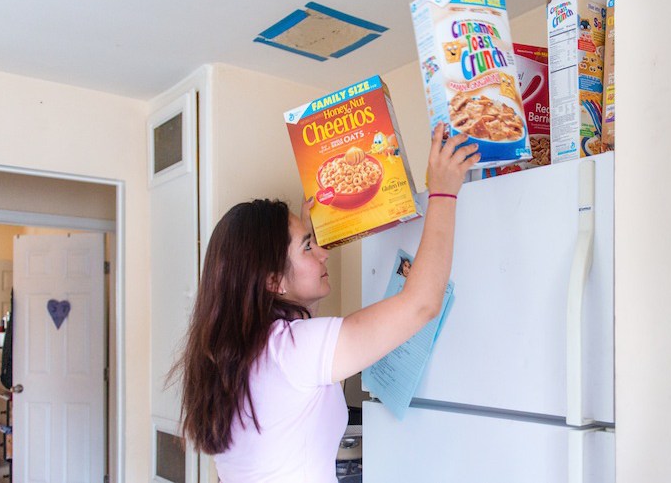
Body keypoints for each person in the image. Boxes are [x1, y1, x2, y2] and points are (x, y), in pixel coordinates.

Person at [169, 123, 478, 482]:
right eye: (307, 246)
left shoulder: (232, 354)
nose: (323, 254)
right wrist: (443, 193)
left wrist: (312, 232)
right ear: (273, 280)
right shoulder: (292, 351)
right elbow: (421, 304)